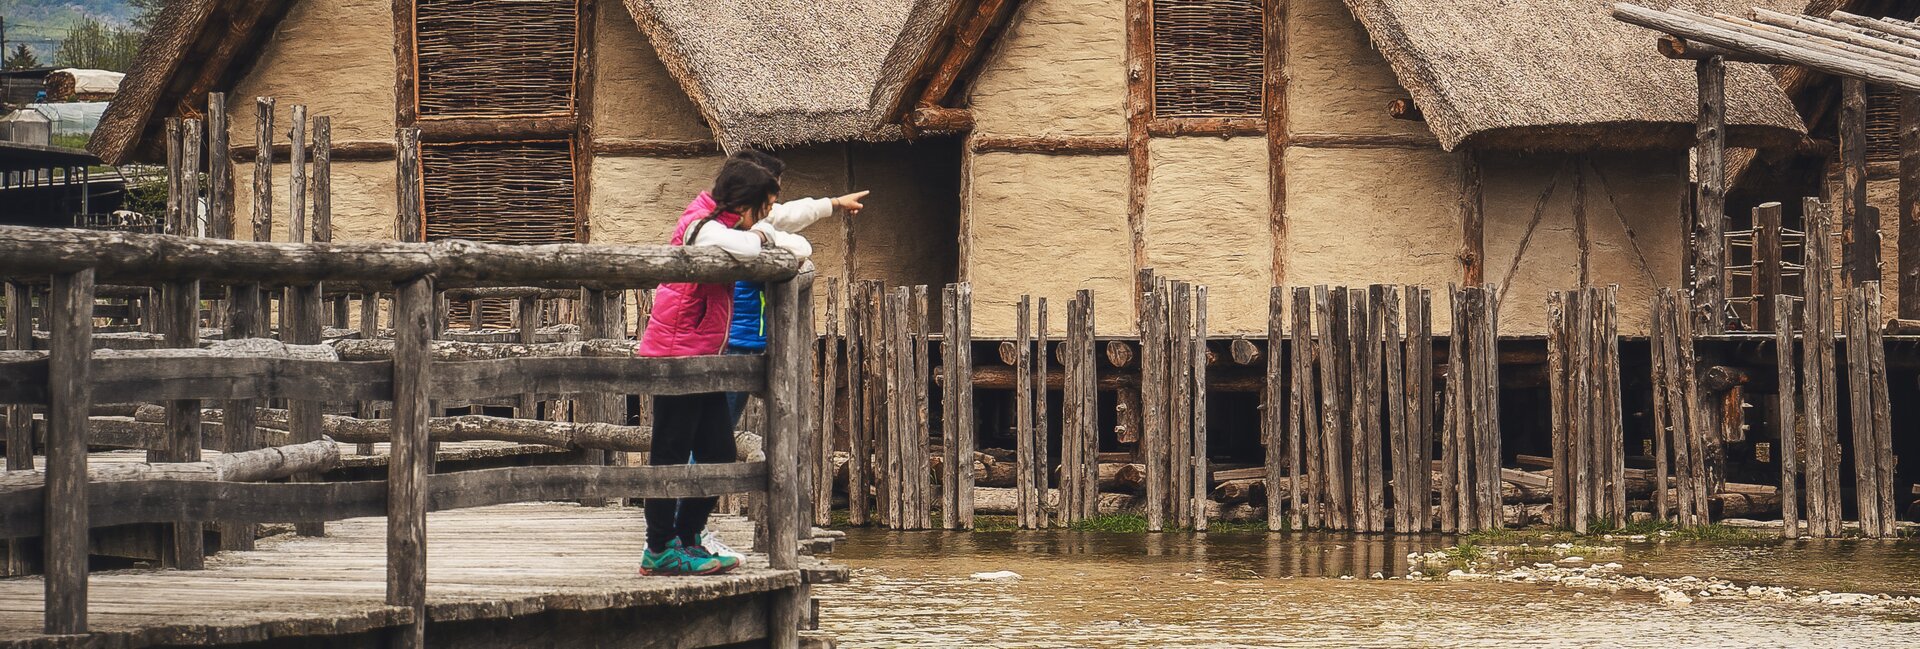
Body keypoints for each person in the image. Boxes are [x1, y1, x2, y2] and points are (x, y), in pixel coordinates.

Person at [635, 153, 864, 576]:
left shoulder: (721, 222)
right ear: (744, 204)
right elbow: (744, 242)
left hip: (704, 357)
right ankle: (659, 548)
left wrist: (798, 218)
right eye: (762, 209)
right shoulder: (702, 226)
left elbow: (773, 228)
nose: (766, 217)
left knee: (719, 452)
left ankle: (687, 538)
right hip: (677, 357)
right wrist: (766, 237)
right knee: (669, 454)